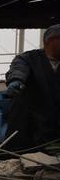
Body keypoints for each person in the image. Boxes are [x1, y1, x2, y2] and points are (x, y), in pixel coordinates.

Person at [5, 24, 60, 152]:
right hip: (29, 124)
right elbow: (19, 69)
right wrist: (16, 80)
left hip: (55, 126)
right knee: (23, 155)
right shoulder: (28, 58)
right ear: (51, 41)